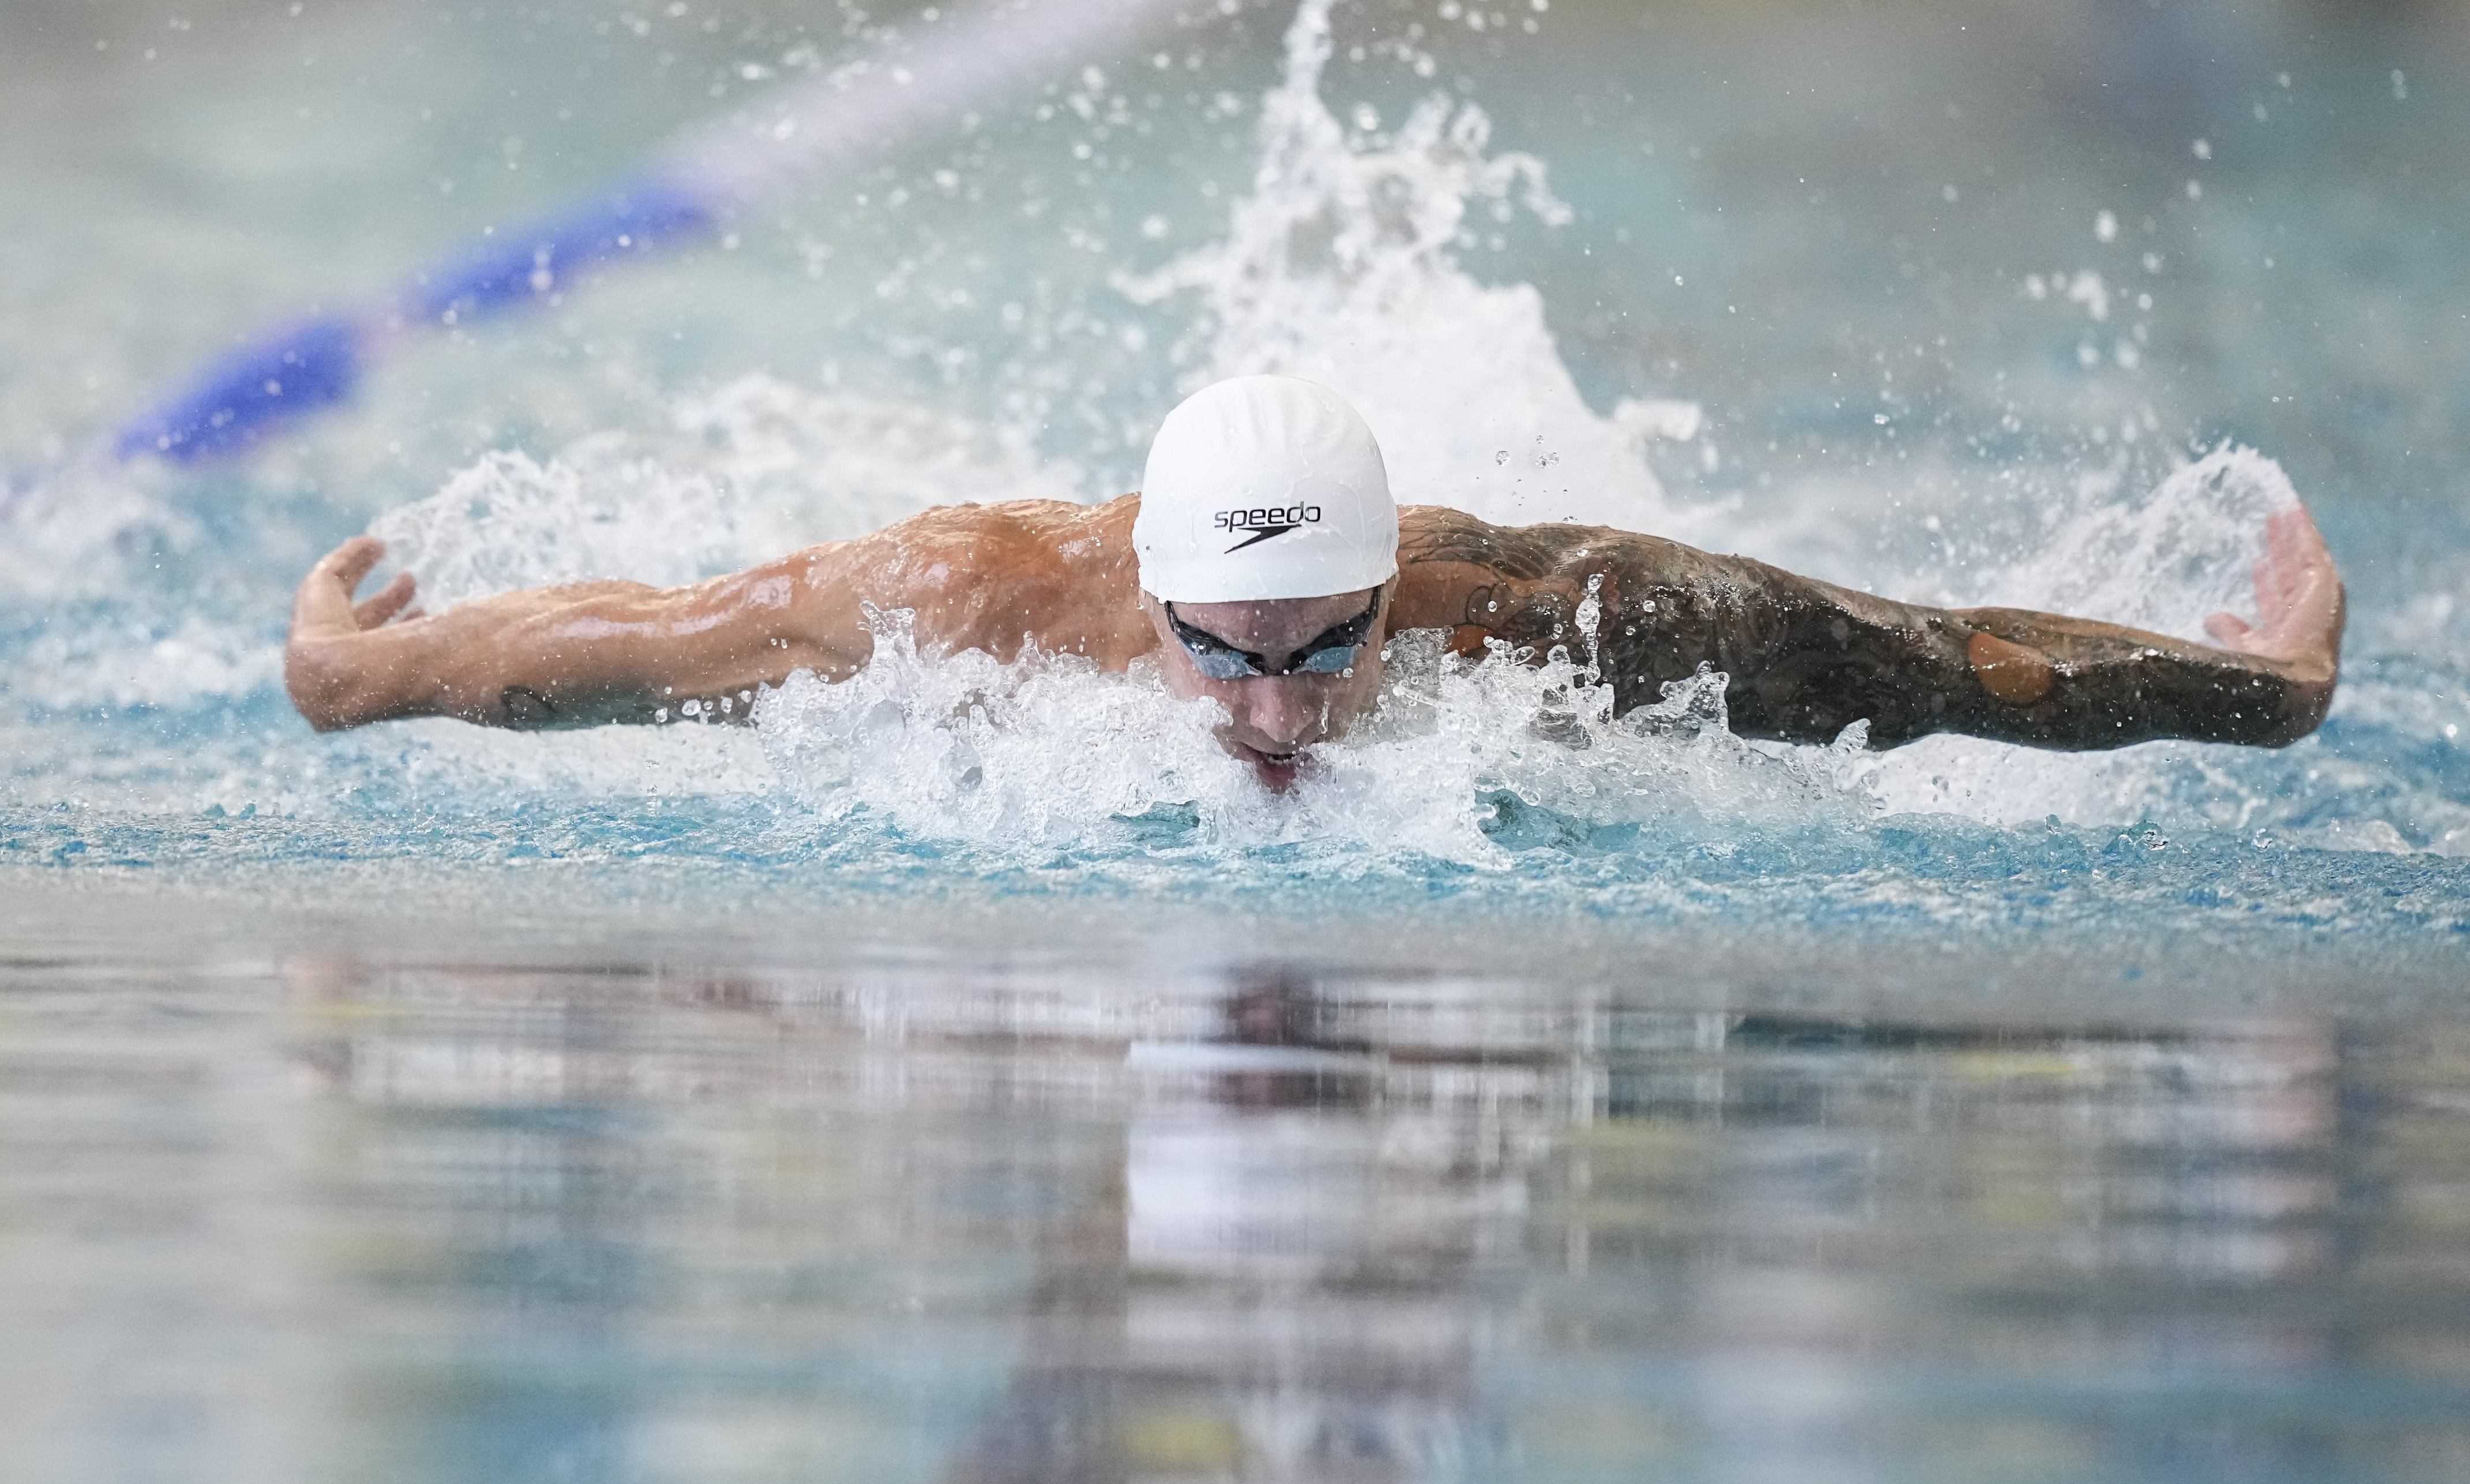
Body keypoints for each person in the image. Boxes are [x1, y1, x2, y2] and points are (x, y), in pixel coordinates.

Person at [284, 376, 2344, 792]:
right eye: (1222, 655)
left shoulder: (1533, 611)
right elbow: (612, 646)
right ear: (1152, 599)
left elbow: (1943, 663)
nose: (1275, 716)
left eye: (1325, 651)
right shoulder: (961, 601)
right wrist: (356, 678)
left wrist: (2261, 687)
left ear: (1395, 599)